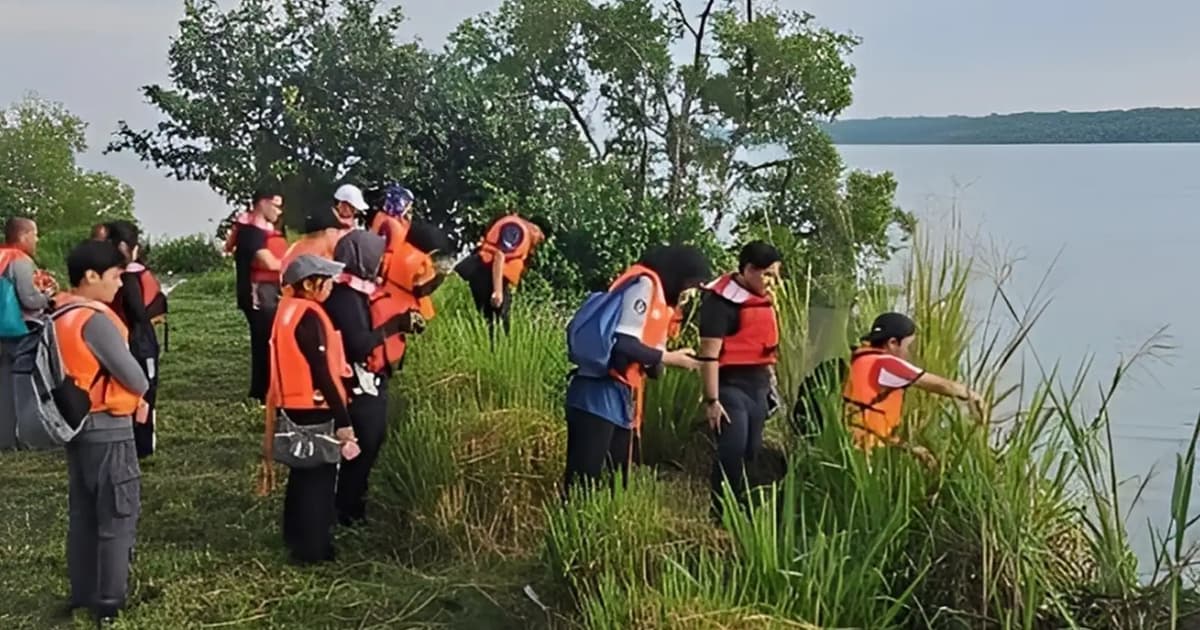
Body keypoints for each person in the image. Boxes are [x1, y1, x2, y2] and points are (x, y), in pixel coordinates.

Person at [561, 245, 711, 495]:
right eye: (691, 284)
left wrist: (664, 357)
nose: (689, 292)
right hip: (596, 395)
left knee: (616, 483)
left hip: (623, 398)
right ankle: (570, 529)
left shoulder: (664, 304)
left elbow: (650, 365)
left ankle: (600, 530)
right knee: (583, 483)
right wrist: (671, 358)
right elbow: (625, 344)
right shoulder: (644, 285)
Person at [54, 240, 150, 624]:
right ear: (90, 277)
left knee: (83, 515)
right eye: (114, 277)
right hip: (109, 428)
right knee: (116, 515)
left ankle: (82, 592)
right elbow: (135, 378)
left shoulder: (60, 314)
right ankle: (109, 603)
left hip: (75, 428)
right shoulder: (95, 319)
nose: (119, 286)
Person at [323, 231, 424, 525]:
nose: (380, 262)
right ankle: (346, 513)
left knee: (368, 446)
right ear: (360, 257)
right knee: (362, 447)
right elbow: (357, 345)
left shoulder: (356, 291)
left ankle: (351, 508)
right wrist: (394, 326)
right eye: (376, 256)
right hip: (358, 382)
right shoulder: (345, 297)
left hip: (366, 379)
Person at [269, 255, 358, 564]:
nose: (331, 287)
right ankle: (313, 551)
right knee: (318, 481)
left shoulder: (286, 310)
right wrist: (343, 421)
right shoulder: (309, 315)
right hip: (315, 405)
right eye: (327, 280)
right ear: (309, 283)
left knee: (301, 474)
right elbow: (322, 372)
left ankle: (295, 536)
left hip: (292, 404)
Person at [697, 241, 782, 518]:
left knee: (752, 450)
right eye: (767, 274)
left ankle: (743, 510)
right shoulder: (721, 303)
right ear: (748, 270)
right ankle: (720, 512)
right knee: (732, 447)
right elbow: (708, 355)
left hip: (757, 384)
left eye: (776, 274)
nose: (773, 281)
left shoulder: (763, 300)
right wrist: (712, 400)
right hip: (730, 384)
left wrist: (773, 387)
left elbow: (766, 349)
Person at [843, 312, 986, 462]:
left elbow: (870, 420)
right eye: (909, 346)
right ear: (893, 343)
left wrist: (909, 448)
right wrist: (974, 396)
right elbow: (943, 386)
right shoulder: (885, 364)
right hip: (866, 454)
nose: (911, 352)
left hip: (853, 445)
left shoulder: (862, 360)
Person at [94, 221, 167, 459]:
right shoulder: (131, 274)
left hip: (111, 335)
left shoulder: (102, 270)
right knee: (145, 387)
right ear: (127, 246)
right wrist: (160, 302)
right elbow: (138, 312)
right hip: (138, 340)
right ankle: (141, 443)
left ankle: (126, 438)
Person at [0, 217, 54, 449]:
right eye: (34, 234)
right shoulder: (19, 260)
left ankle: (4, 439)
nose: (37, 239)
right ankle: (20, 438)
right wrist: (48, 297)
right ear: (23, 236)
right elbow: (29, 300)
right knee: (20, 384)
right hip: (18, 331)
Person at [231, 189, 287, 402]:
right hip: (257, 295)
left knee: (268, 340)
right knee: (264, 341)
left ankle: (265, 389)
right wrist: (297, 266)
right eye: (276, 205)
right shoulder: (251, 232)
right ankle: (263, 392)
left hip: (270, 293)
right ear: (262, 203)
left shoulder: (265, 230)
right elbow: (268, 262)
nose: (279, 211)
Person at [456, 212, 545, 337]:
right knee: (498, 326)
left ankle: (493, 352)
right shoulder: (517, 229)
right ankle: (493, 352)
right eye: (541, 238)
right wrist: (497, 291)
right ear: (537, 229)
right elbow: (499, 255)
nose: (538, 242)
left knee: (498, 326)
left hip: (491, 275)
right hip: (486, 275)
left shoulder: (519, 230)